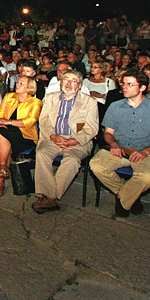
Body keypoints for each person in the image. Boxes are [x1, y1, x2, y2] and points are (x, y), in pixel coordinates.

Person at [90, 68, 150, 217]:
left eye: (130, 84)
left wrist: (145, 151)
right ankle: (131, 195)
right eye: (123, 84)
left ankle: (123, 198)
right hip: (121, 148)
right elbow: (108, 133)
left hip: (147, 152)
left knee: (147, 177)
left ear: (142, 88)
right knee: (96, 165)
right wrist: (114, 144)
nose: (124, 87)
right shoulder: (115, 106)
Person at [32, 69, 98, 213]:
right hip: (53, 137)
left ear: (79, 86)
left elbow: (92, 128)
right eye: (66, 79)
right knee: (42, 153)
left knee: (72, 160)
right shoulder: (51, 97)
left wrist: (74, 141)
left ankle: (49, 197)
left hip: (77, 141)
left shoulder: (90, 102)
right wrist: (53, 136)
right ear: (60, 82)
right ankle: (49, 197)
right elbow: (44, 120)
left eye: (73, 81)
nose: (68, 83)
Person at [0, 76, 42, 197]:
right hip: (7, 132)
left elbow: (30, 121)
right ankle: (2, 173)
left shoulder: (36, 102)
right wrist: (1, 121)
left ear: (29, 88)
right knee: (4, 134)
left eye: (21, 83)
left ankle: (1, 175)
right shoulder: (9, 96)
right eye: (18, 82)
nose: (17, 85)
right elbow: (0, 113)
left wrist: (8, 122)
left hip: (25, 136)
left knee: (2, 133)